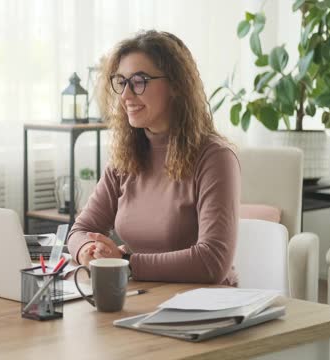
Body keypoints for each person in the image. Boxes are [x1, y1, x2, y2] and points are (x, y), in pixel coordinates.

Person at [67, 30, 240, 285]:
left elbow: (212, 261)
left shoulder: (215, 158)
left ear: (176, 85)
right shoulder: (125, 158)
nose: (125, 95)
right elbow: (79, 231)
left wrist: (126, 264)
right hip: (139, 298)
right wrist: (88, 251)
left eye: (139, 81)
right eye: (121, 81)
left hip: (203, 307)